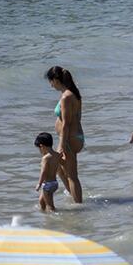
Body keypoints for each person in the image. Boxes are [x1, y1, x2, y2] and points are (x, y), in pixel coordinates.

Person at [46, 65, 85, 204]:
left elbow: (66, 123)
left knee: (72, 175)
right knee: (58, 169)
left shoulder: (66, 97)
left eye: (51, 81)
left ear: (56, 80)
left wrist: (62, 144)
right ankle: (73, 196)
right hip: (72, 137)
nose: (50, 85)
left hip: (69, 139)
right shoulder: (72, 93)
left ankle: (79, 206)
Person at [34, 132, 65, 213]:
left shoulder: (45, 158)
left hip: (47, 184)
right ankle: (43, 213)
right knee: (41, 201)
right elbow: (61, 162)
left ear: (41, 146)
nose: (40, 151)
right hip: (54, 183)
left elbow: (43, 172)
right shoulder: (56, 155)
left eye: (39, 148)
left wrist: (39, 184)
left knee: (50, 206)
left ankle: (53, 219)